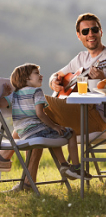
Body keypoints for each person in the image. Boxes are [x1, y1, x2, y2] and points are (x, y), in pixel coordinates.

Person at [0, 13, 106, 191]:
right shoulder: (80, 58)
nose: (90, 34)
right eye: (85, 31)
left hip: (98, 120)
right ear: (79, 35)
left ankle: (5, 155)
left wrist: (103, 80)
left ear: (101, 32)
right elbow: (58, 75)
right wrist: (54, 81)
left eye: (94, 29)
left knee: (39, 101)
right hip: (74, 115)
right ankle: (28, 183)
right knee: (38, 119)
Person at [0, 63, 92, 191]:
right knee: (70, 132)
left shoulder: (14, 95)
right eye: (36, 73)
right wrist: (54, 125)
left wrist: (4, 92)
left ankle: (64, 165)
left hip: (23, 133)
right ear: (26, 78)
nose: (41, 75)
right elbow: (40, 113)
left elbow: (1, 103)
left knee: (57, 133)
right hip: (37, 131)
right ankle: (75, 167)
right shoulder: (37, 91)